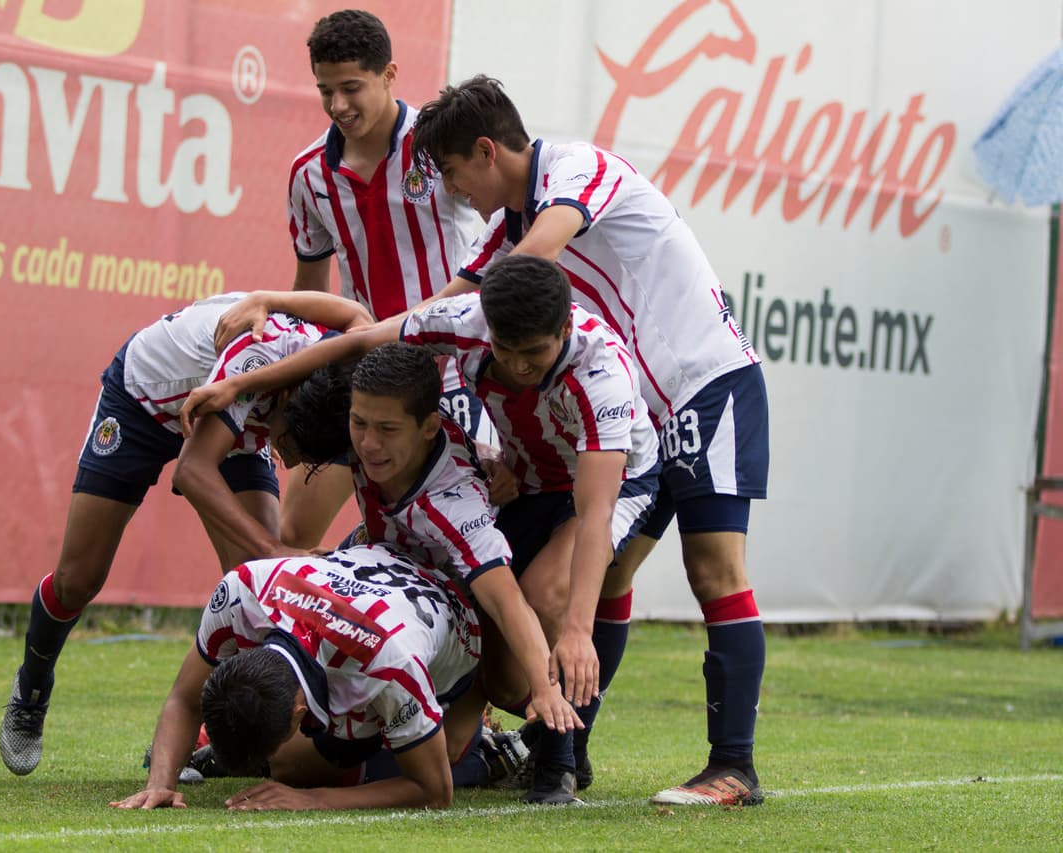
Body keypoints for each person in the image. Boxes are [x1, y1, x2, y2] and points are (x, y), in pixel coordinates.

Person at [409, 76, 771, 807]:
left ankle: (734, 765)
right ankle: (564, 748)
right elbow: (449, 303)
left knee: (715, 571)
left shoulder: (573, 170)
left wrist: (449, 309)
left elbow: (526, 265)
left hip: (706, 382)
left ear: (486, 151)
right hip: (641, 414)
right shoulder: (506, 229)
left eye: (452, 173)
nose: (454, 193)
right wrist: (377, 341)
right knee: (605, 576)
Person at [183, 258, 660, 803]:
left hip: (602, 483)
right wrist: (242, 382)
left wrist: (574, 637)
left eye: (385, 430)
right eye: (360, 427)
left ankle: (554, 755)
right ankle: (275, 730)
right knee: (298, 760)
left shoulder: (597, 383)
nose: (369, 444)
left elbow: (589, 515)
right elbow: (356, 333)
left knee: (531, 626)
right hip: (521, 475)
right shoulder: (450, 337)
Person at [0, 290, 371, 777]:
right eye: (291, 443)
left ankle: (205, 738)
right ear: (282, 399)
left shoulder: (341, 363)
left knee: (259, 583)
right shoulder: (255, 355)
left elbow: (355, 315)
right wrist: (274, 549)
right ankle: (32, 685)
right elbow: (192, 472)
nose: (293, 461)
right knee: (79, 579)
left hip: (234, 417)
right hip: (145, 402)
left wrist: (266, 296)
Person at [219, 9, 489, 552]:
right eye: (325, 91)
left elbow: (500, 240)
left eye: (351, 88)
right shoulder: (309, 174)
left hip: (457, 373)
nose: (338, 105)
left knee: (463, 535)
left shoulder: (439, 144)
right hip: (362, 379)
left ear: (389, 75)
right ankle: (309, 625)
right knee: (291, 536)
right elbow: (309, 294)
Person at [110, 543, 486, 811]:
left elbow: (435, 792)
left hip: (461, 638)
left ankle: (482, 748)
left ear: (298, 710)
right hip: (378, 569)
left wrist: (312, 800)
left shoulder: (388, 667)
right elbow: (185, 698)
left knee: (297, 768)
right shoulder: (241, 589)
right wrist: (160, 783)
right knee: (296, 761)